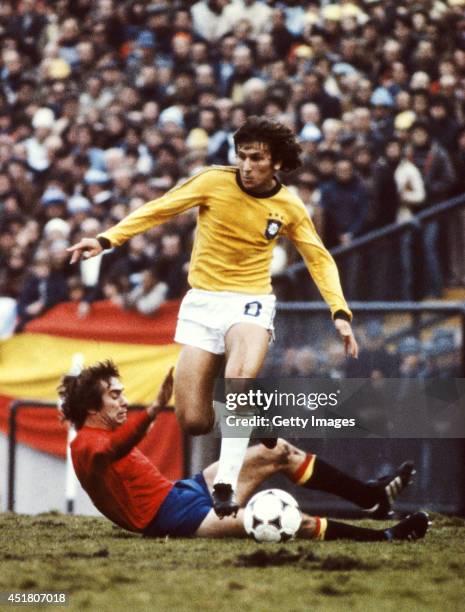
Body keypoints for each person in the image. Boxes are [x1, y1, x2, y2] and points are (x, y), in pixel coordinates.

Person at [67, 116, 358, 517]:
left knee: (239, 378)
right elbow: (159, 208)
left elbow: (318, 258)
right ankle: (255, 413)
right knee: (193, 420)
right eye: (242, 157)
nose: (247, 166)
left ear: (275, 161)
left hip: (251, 301)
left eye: (257, 158)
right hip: (203, 302)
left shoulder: (288, 205)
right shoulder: (212, 182)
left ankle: (226, 485)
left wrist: (339, 311)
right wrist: (106, 239)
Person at [59, 360, 429, 542]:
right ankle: (385, 537)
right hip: (174, 521)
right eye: (115, 395)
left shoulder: (101, 434)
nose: (124, 401)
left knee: (277, 450)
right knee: (283, 520)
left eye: (122, 393)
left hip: (182, 493)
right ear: (93, 409)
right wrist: (154, 410)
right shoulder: (87, 447)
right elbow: (115, 450)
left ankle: (371, 498)